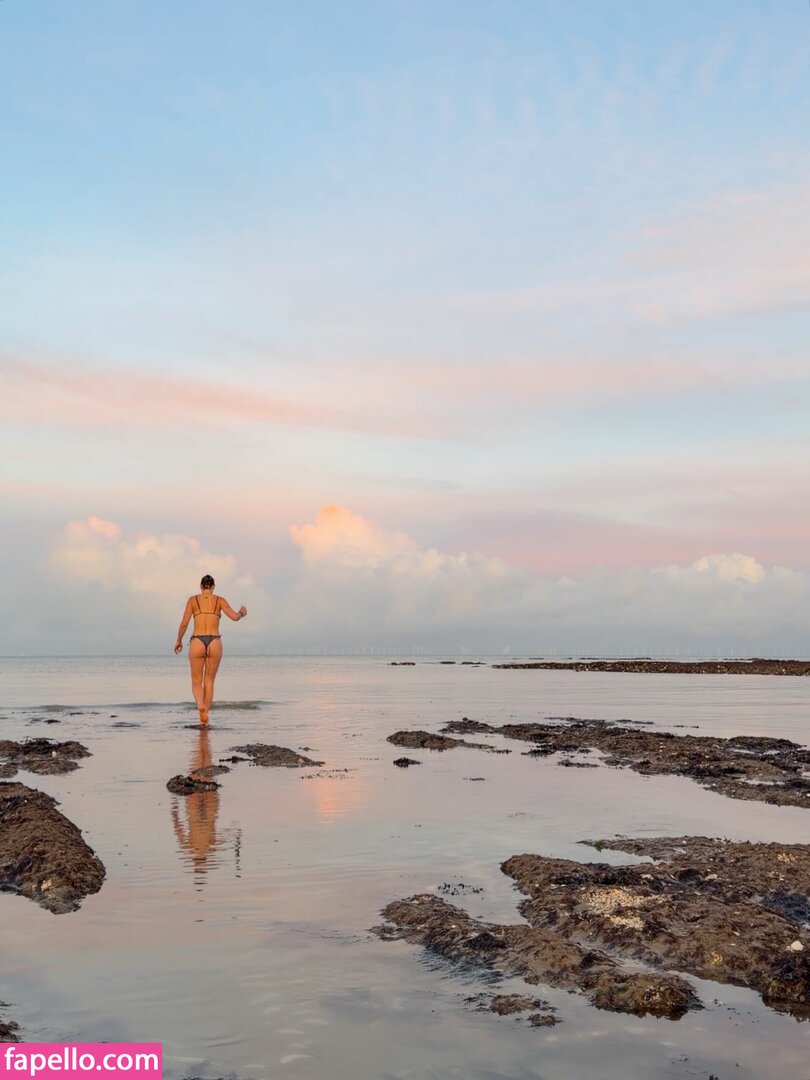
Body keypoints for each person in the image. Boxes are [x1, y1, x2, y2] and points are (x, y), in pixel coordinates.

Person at [174, 574, 247, 724]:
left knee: (196, 681)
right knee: (209, 681)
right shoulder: (220, 600)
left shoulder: (193, 600)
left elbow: (184, 623)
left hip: (197, 641)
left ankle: (200, 707)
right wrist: (241, 613)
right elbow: (234, 617)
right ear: (213, 587)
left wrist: (179, 640)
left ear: (201, 586)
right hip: (214, 642)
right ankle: (205, 716)